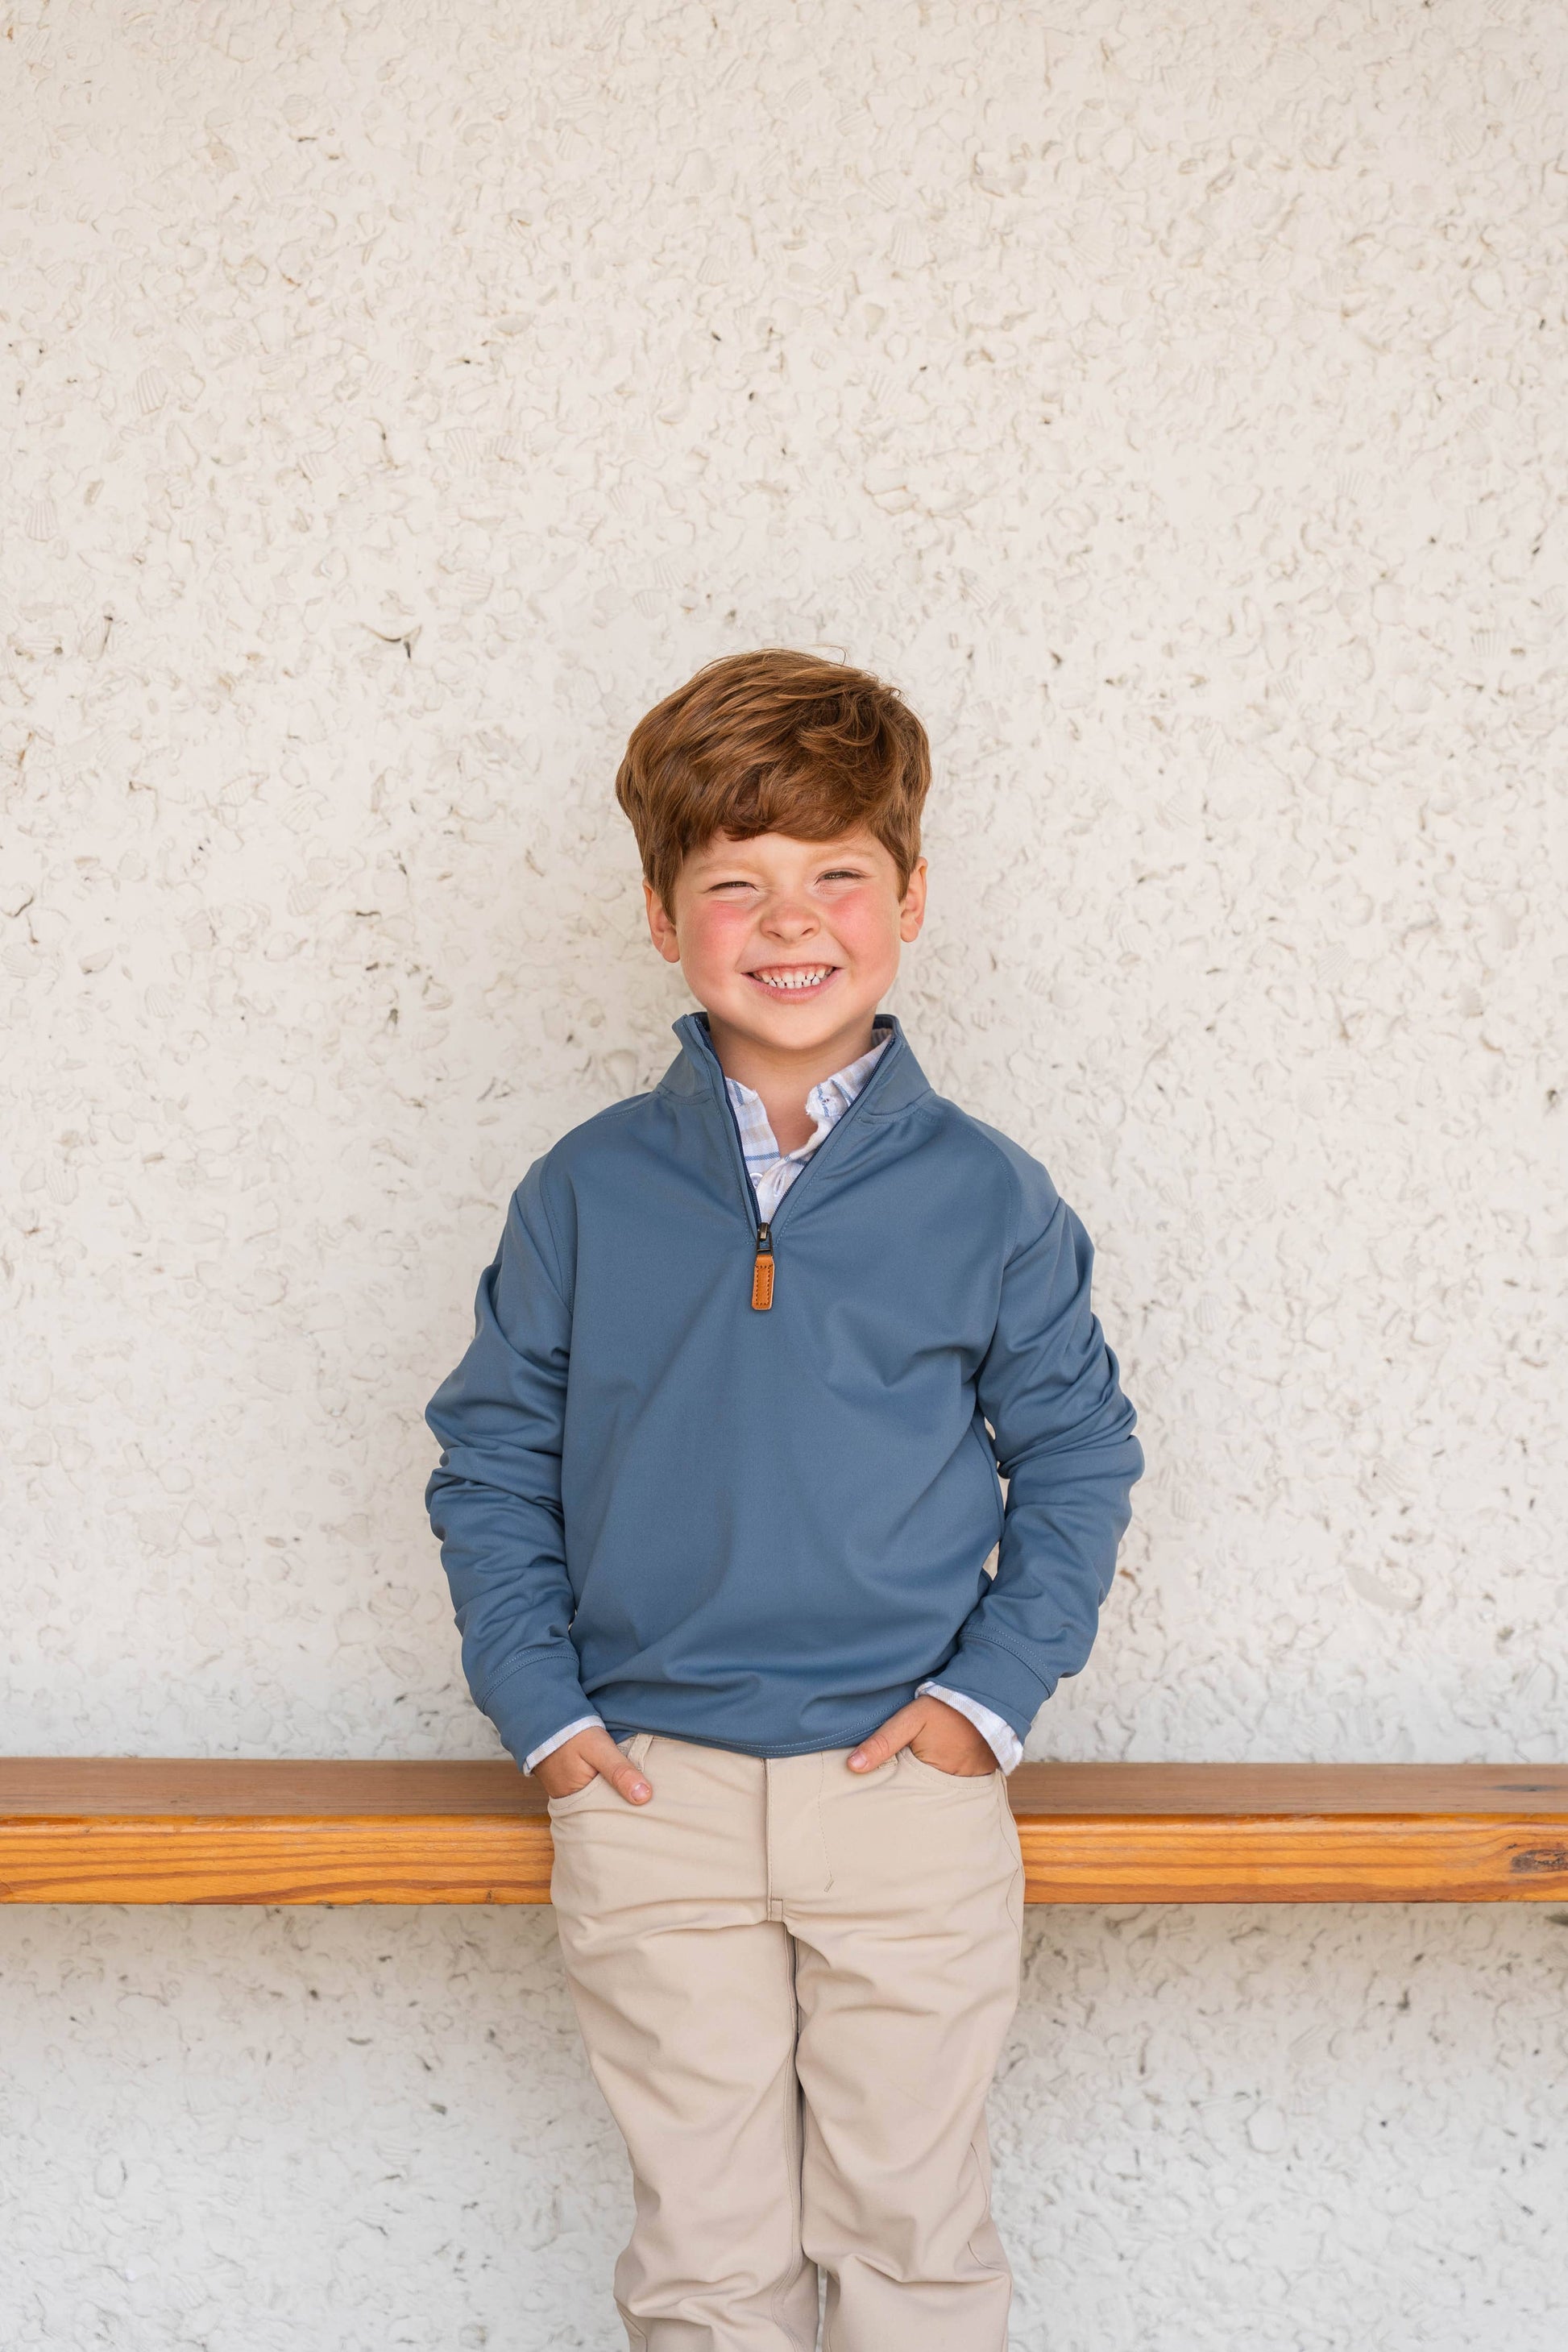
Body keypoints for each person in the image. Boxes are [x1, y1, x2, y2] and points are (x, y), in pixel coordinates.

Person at [424, 648, 1143, 2350]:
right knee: (704, 2262)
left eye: (836, 872)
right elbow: (489, 1456)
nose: (788, 917)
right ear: (662, 918)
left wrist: (985, 1702)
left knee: (914, 2247)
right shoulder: (588, 1184)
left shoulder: (984, 1191)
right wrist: (544, 1711)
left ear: (908, 897)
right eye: (732, 881)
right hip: (649, 1790)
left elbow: (1082, 1453)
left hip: (903, 1791)